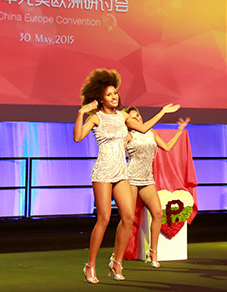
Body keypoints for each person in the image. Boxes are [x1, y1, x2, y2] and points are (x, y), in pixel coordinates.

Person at [73, 69, 135, 284]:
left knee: (128, 217)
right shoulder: (95, 118)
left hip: (121, 171)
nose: (114, 97)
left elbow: (141, 128)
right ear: (100, 98)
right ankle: (89, 265)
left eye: (115, 93)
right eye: (109, 94)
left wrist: (162, 113)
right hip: (103, 172)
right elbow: (78, 137)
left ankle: (116, 261)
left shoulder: (123, 116)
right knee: (104, 218)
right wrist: (81, 113)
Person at [116, 106, 188, 268]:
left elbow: (167, 147)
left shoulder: (151, 132)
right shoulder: (128, 135)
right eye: (133, 117)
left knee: (158, 213)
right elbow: (117, 154)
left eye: (138, 115)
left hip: (147, 179)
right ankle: (117, 254)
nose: (137, 118)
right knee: (127, 218)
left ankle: (153, 251)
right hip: (131, 178)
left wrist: (179, 132)